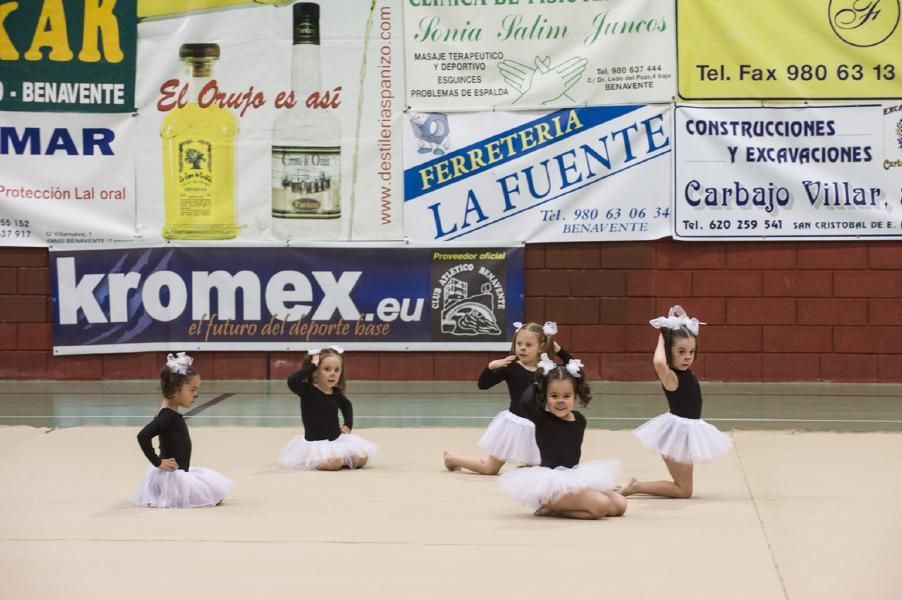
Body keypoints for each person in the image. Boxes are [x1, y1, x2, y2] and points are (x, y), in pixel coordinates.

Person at [619, 306, 733, 498]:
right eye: (681, 351)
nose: (687, 356)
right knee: (683, 490)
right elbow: (658, 363)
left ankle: (637, 486)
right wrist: (663, 334)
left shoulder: (683, 373)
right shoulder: (672, 377)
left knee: (683, 488)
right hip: (679, 435)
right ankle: (636, 486)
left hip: (683, 432)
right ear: (668, 351)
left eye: (691, 351)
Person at [499, 355, 626, 519]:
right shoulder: (543, 419)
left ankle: (565, 506)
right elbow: (525, 403)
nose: (560, 401)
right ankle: (553, 507)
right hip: (551, 486)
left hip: (573, 478)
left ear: (575, 395)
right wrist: (539, 380)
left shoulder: (579, 419)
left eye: (566, 396)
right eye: (554, 396)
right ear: (545, 395)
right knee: (601, 506)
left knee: (620, 505)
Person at [443, 321, 570, 475]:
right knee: (489, 469)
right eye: (519, 343)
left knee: (546, 469)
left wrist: (559, 350)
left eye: (529, 345)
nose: (522, 348)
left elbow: (573, 369)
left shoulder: (548, 369)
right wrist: (491, 366)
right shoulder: (510, 367)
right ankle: (452, 459)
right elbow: (483, 385)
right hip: (513, 425)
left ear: (541, 347)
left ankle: (530, 466)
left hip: (538, 427)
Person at [132, 352, 232, 508]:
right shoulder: (167, 416)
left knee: (213, 494)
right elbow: (143, 436)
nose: (196, 394)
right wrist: (157, 462)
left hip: (179, 473)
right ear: (175, 390)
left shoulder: (167, 412)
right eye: (192, 390)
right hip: (172, 477)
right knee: (211, 497)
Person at [279, 346, 376, 470]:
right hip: (316, 444)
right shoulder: (307, 390)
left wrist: (348, 425)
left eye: (337, 370)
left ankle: (341, 460)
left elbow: (347, 406)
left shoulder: (335, 392)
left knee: (362, 459)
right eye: (327, 369)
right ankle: (314, 461)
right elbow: (292, 381)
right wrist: (312, 366)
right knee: (334, 463)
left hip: (337, 440)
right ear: (315, 372)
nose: (332, 374)